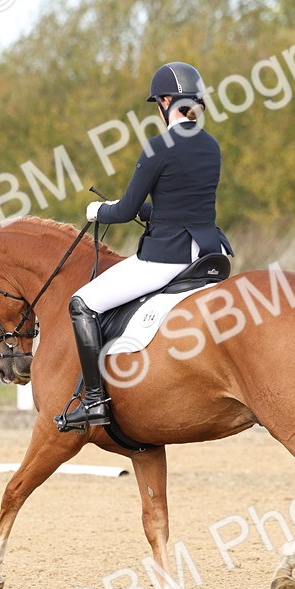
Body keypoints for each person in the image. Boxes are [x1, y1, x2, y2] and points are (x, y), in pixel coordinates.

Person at [57, 61, 234, 432]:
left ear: (166, 101)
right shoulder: (211, 145)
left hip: (166, 257)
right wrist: (153, 213)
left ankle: (93, 402)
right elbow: (185, 203)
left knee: (82, 303)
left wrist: (96, 210)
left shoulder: (159, 147)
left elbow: (123, 211)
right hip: (208, 253)